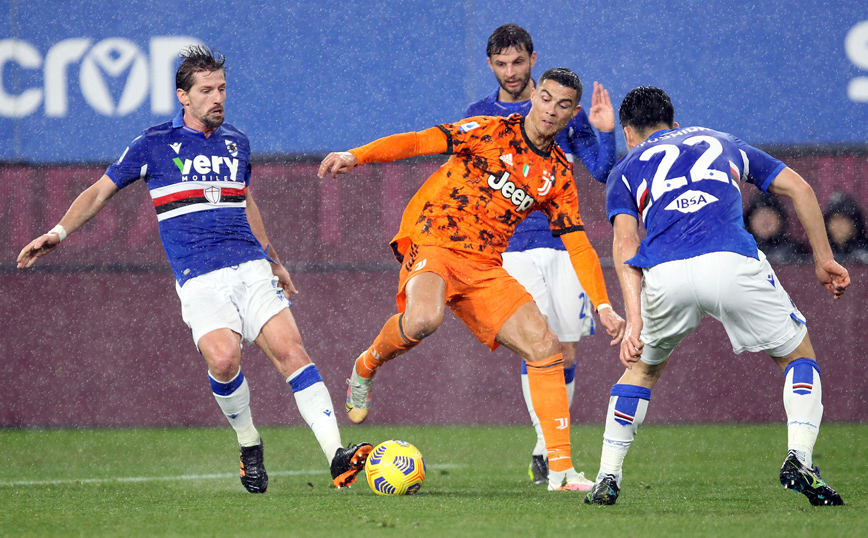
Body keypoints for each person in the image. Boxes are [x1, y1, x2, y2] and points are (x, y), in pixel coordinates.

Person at [16, 45, 372, 493]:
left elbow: (244, 201)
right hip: (199, 276)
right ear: (183, 96)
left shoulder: (236, 142)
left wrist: (273, 259)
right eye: (206, 90)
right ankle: (249, 442)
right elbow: (99, 192)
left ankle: (337, 456)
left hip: (250, 266)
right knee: (223, 360)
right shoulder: (152, 144)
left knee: (293, 353)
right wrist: (58, 232)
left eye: (221, 88)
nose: (217, 98)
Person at [318, 67, 626, 492]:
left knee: (545, 346)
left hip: (484, 265)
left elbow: (579, 245)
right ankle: (366, 365)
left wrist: (603, 304)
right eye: (546, 98)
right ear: (534, 96)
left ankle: (560, 472)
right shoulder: (488, 130)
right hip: (434, 239)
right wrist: (357, 155)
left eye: (563, 105)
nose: (551, 110)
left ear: (573, 114)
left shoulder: (557, 175)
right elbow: (418, 141)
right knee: (423, 319)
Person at [584, 86, 849, 507]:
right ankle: (799, 457)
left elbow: (625, 244)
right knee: (797, 355)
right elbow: (799, 188)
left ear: (628, 133)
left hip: (666, 273)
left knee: (643, 370)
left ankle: (607, 475)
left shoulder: (626, 167)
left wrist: (634, 318)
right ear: (674, 123)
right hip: (729, 260)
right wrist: (823, 259)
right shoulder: (721, 141)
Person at [464, 24, 617, 485]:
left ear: (533, 59)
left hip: (562, 244)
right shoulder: (479, 115)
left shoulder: (563, 109)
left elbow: (602, 170)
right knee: (540, 344)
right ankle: (553, 453)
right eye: (501, 64)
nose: (511, 72)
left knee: (566, 352)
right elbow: (465, 184)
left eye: (518, 62)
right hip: (509, 248)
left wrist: (606, 133)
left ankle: (541, 450)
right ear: (490, 65)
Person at [744, 191, 810, 264]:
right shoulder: (743, 250)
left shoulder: (794, 249)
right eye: (759, 215)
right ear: (750, 221)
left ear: (780, 219)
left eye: (770, 214)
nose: (764, 220)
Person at [824, 191, 868, 264]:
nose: (837, 225)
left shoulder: (864, 252)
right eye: (833, 219)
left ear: (854, 223)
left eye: (843, 219)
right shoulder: (820, 252)